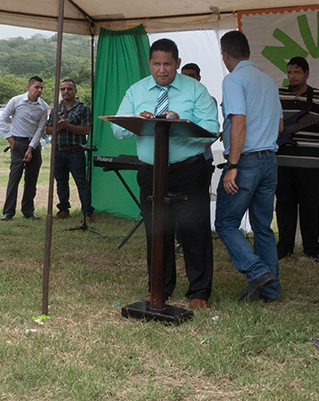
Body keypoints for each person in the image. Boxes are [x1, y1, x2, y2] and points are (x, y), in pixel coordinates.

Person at [111, 38, 219, 311]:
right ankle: (159, 288)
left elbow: (212, 128)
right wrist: (138, 118)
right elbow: (119, 130)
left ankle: (199, 292)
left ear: (177, 63)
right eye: (156, 64)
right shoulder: (136, 91)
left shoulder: (196, 90)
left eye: (168, 64)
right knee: (157, 232)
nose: (162, 70)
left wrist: (181, 122)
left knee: (194, 231)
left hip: (188, 171)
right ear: (149, 63)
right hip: (150, 172)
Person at [214, 30, 283, 303]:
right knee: (263, 226)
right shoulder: (268, 81)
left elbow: (239, 122)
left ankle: (256, 270)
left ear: (225, 55)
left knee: (226, 222)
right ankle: (271, 291)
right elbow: (279, 125)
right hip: (269, 159)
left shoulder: (233, 79)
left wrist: (233, 164)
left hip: (246, 161)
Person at [275, 56, 319, 262]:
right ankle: (284, 248)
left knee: (310, 206)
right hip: (283, 161)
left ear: (306, 74)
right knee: (284, 205)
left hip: (311, 164)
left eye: (296, 72)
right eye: (289, 72)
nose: (292, 76)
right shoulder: (278, 94)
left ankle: (312, 250)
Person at [174, 63, 217, 256]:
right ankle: (180, 242)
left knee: (196, 206)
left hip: (200, 160)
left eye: (192, 75)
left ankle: (195, 244)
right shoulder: (175, 98)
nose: (188, 78)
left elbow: (211, 132)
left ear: (199, 78)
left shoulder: (207, 99)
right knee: (174, 205)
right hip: (178, 162)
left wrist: (196, 151)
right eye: (184, 75)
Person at [0, 76, 49, 221]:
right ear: (28, 87)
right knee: (14, 178)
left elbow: (41, 128)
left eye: (41, 88)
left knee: (31, 180)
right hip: (18, 143)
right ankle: (8, 212)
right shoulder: (16, 101)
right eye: (36, 87)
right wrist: (9, 139)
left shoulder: (43, 106)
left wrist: (31, 147)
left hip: (34, 144)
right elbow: (2, 119)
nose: (39, 90)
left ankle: (28, 210)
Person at [46, 79, 94, 222]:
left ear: (75, 91)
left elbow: (87, 129)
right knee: (61, 181)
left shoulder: (83, 108)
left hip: (75, 151)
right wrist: (59, 127)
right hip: (58, 151)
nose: (65, 92)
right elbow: (48, 130)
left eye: (69, 89)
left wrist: (67, 126)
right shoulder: (56, 108)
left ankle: (87, 211)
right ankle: (63, 209)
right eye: (63, 89)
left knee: (81, 182)